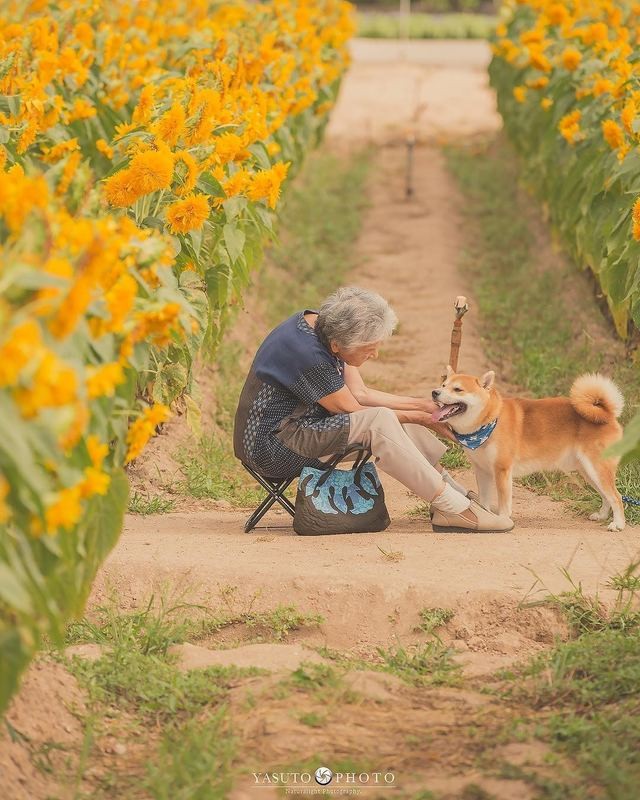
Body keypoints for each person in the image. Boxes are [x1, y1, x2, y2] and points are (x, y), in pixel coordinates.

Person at [233, 286, 514, 532]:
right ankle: (453, 509)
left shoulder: (327, 327)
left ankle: (453, 493)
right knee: (381, 421)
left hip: (297, 430)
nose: (375, 354)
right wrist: (422, 417)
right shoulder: (307, 354)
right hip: (273, 448)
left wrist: (423, 407)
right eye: (370, 348)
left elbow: (361, 393)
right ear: (338, 345)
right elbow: (355, 412)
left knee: (389, 416)